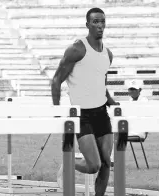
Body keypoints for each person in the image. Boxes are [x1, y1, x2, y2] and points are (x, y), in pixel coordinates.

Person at [51, 8, 119, 196]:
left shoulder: (108, 54)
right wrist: (56, 111)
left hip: (101, 113)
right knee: (93, 165)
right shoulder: (77, 49)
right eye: (95, 21)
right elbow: (56, 80)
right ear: (87, 24)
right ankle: (69, 162)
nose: (99, 25)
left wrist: (111, 101)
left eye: (102, 21)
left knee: (106, 163)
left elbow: (99, 82)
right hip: (82, 115)